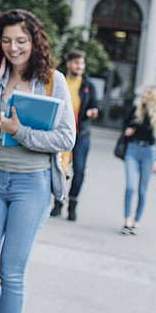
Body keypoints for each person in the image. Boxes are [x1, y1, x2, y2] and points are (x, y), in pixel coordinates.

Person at [0, 9, 76, 313]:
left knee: (11, 273)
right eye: (7, 41)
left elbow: (66, 137)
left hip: (34, 184)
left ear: (34, 41)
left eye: (21, 41)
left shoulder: (52, 81)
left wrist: (21, 131)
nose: (14, 48)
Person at [49, 50, 99, 221]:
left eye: (82, 63)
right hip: (61, 133)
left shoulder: (88, 86)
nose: (80, 67)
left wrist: (93, 112)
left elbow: (94, 106)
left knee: (79, 169)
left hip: (81, 135)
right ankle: (57, 202)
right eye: (77, 63)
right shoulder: (60, 81)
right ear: (69, 63)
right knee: (60, 167)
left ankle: (72, 204)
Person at [121, 85, 156, 235]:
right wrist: (126, 131)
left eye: (147, 93)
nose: (144, 95)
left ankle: (136, 222)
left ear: (154, 97)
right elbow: (124, 124)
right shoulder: (136, 110)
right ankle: (127, 221)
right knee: (130, 187)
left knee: (142, 191)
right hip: (133, 150)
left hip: (149, 153)